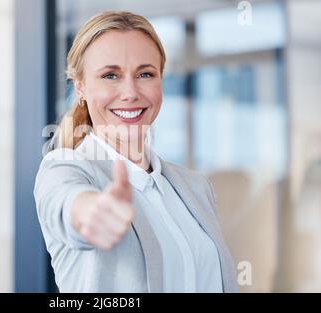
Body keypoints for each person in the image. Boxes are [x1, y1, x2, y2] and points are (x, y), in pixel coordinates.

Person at [34, 11, 237, 293]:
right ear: (80, 86)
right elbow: (67, 203)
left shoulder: (196, 186)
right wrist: (90, 212)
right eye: (110, 75)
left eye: (145, 74)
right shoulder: (64, 168)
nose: (130, 92)